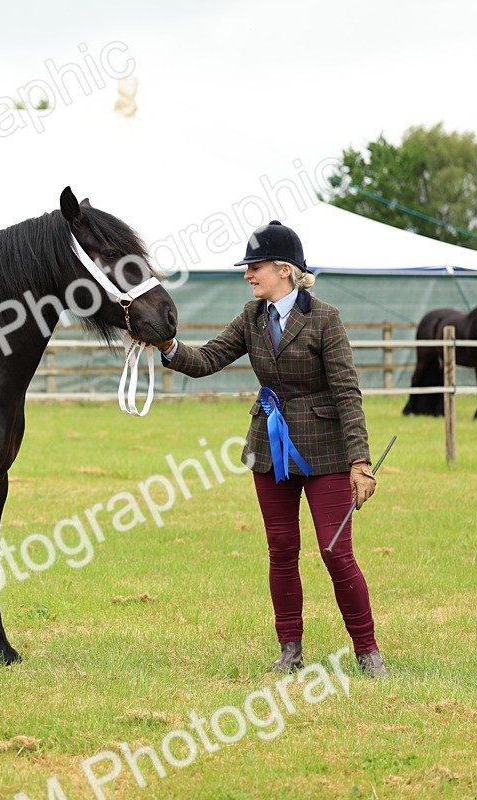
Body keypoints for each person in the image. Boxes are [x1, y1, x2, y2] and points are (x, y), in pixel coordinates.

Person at [152, 220, 387, 678]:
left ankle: (367, 650)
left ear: (284, 270)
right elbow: (205, 361)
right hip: (269, 448)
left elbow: (346, 393)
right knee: (281, 549)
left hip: (327, 453)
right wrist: (168, 345)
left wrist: (360, 461)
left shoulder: (325, 319)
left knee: (335, 551)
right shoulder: (251, 317)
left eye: (254, 267)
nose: (247, 274)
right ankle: (290, 648)